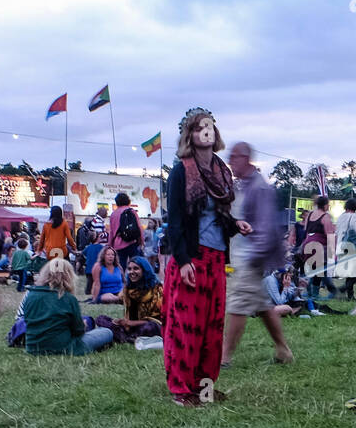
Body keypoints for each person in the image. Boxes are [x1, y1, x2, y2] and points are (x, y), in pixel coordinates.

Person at [163, 108, 251, 406]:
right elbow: (174, 220)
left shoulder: (221, 172)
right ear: (190, 133)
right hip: (191, 257)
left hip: (216, 259)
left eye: (211, 126)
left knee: (212, 328)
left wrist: (236, 225)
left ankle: (204, 388)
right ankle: (180, 389)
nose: (207, 131)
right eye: (201, 126)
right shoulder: (181, 171)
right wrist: (184, 259)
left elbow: (221, 217)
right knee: (187, 326)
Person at [222, 142, 296, 367]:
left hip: (249, 256)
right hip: (244, 254)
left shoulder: (259, 187)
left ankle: (224, 357)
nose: (231, 162)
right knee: (262, 305)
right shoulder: (244, 185)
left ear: (245, 158)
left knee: (237, 305)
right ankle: (283, 350)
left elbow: (264, 226)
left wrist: (253, 257)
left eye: (234, 158)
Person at [22, 258, 113, 355]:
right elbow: (78, 330)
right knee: (106, 332)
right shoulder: (68, 298)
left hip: (33, 348)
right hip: (64, 348)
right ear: (68, 276)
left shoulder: (30, 295)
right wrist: (84, 325)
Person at [301, 195, 338, 300]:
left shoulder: (310, 215)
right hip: (318, 246)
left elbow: (306, 230)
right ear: (326, 205)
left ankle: (310, 292)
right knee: (320, 271)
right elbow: (329, 235)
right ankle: (315, 294)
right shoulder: (325, 217)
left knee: (312, 270)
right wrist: (332, 252)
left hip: (307, 244)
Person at [334, 199, 356, 299]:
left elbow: (337, 233)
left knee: (350, 273)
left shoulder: (340, 218)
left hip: (342, 247)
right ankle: (343, 289)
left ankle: (350, 296)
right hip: (354, 247)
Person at [107, 192, 142, 267]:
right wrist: (141, 241)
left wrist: (110, 245)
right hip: (132, 242)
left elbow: (111, 232)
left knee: (120, 266)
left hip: (118, 243)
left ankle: (121, 278)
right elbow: (139, 227)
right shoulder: (132, 211)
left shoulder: (113, 214)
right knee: (136, 265)